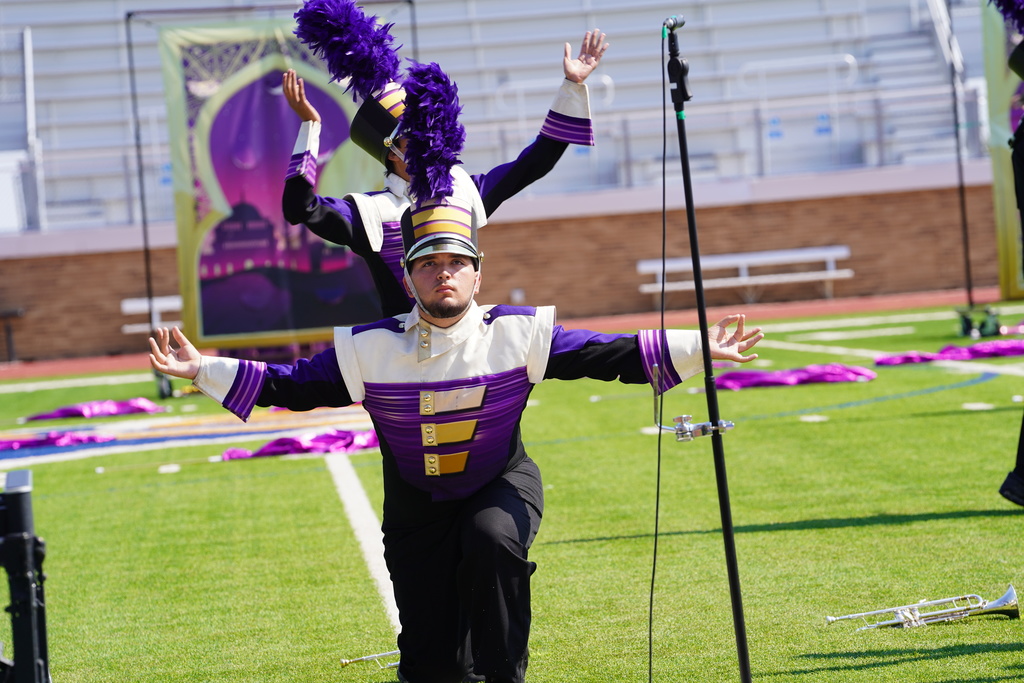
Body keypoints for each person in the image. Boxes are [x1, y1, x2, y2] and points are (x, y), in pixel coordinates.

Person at [148, 198, 764, 682]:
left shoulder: (517, 333)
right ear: (410, 275)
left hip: (502, 483)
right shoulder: (370, 346)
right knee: (434, 667)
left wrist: (698, 347)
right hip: (416, 508)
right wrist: (203, 369)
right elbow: (295, 384)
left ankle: (506, 675)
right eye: (428, 264)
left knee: (490, 538)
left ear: (476, 273)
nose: (443, 275)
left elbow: (608, 354)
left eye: (456, 264)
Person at [282, 26, 609, 316]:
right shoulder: (368, 213)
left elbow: (536, 162)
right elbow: (299, 207)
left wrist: (571, 84)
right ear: (392, 151)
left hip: (465, 346)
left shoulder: (463, 190)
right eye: (416, 137)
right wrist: (310, 127)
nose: (429, 141)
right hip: (401, 357)